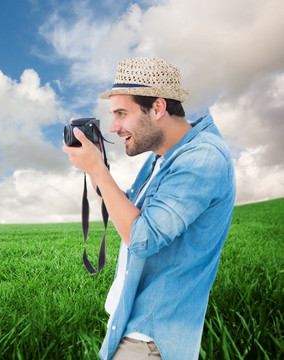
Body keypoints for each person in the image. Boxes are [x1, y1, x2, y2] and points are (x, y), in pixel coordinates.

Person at [63, 57, 236, 360]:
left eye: (121, 113)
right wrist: (96, 166)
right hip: (131, 328)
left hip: (150, 341)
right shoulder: (162, 156)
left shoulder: (203, 158)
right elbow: (125, 208)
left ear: (157, 108)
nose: (114, 127)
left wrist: (99, 172)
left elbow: (142, 238)